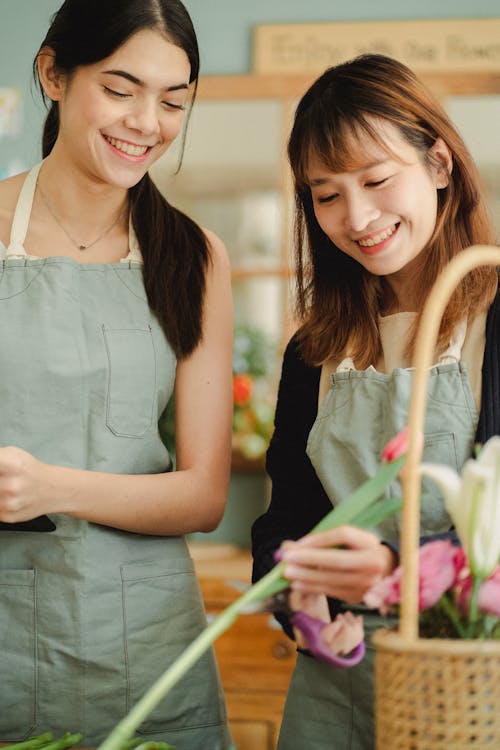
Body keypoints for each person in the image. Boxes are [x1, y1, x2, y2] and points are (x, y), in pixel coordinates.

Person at [0, 1, 234, 748]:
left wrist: (49, 487)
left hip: (144, 645)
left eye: (173, 101)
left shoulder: (195, 258)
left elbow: (203, 496)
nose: (146, 122)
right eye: (121, 88)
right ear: (53, 74)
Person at [251, 53, 500, 750]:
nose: (356, 217)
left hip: (473, 686)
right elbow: (282, 526)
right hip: (337, 689)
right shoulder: (316, 349)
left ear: (442, 164)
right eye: (326, 195)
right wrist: (300, 599)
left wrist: (398, 577)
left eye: (377, 180)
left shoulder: (493, 314)